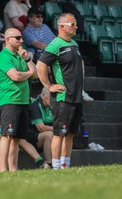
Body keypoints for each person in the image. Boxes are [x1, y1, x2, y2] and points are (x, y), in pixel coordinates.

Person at [36, 13, 84, 170]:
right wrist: (49, 86)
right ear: (62, 26)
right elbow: (41, 65)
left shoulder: (75, 44)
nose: (76, 27)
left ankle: (65, 165)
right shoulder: (55, 45)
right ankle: (56, 165)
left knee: (70, 133)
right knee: (59, 133)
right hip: (63, 96)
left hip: (76, 96)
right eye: (72, 24)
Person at [0, 28, 37, 172]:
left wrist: (27, 59)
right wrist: (28, 73)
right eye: (18, 38)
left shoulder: (21, 56)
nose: (21, 40)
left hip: (23, 101)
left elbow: (35, 75)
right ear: (8, 40)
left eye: (21, 38)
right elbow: (16, 76)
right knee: (7, 136)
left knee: (17, 138)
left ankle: (13, 169)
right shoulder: (3, 56)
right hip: (10, 100)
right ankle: (2, 169)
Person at [27, 87, 53, 164]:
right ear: (43, 95)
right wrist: (57, 129)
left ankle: (60, 162)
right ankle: (49, 162)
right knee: (50, 134)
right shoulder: (34, 105)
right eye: (50, 97)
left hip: (43, 133)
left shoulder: (52, 105)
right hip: (32, 136)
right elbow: (41, 128)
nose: (53, 100)